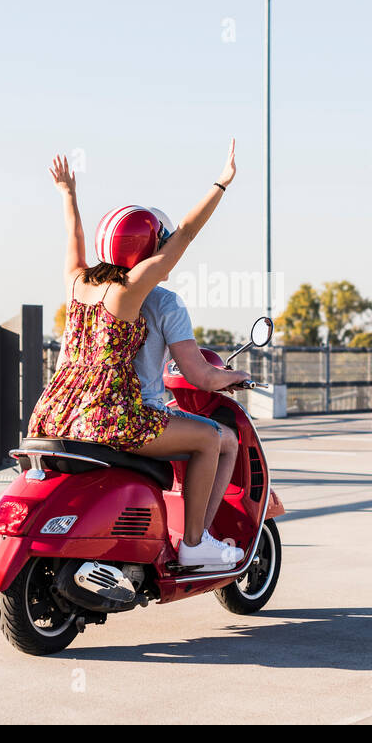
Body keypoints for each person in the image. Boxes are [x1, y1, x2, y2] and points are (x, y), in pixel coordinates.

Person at [27, 141, 245, 570]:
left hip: (54, 412)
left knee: (204, 437)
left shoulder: (76, 282)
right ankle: (195, 543)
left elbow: (72, 238)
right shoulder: (129, 292)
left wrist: (67, 193)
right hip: (111, 415)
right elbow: (184, 233)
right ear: (147, 252)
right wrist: (222, 183)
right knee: (209, 439)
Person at [132, 207, 249, 544]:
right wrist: (233, 375)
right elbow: (201, 376)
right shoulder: (165, 303)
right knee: (221, 439)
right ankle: (197, 541)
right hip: (133, 417)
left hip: (76, 414)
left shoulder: (91, 292)